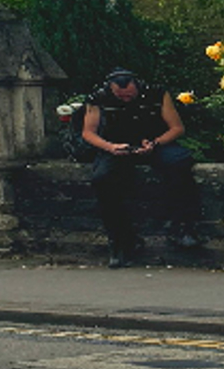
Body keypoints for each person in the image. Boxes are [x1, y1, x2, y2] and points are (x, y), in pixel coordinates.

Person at [81, 67, 203, 266]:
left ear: (137, 86)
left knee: (179, 163)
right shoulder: (98, 98)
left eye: (129, 94)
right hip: (118, 147)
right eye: (120, 95)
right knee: (102, 179)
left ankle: (182, 227)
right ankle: (121, 240)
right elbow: (88, 132)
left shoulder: (157, 94)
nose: (126, 98)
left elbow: (177, 128)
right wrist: (110, 147)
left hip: (155, 143)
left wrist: (155, 143)